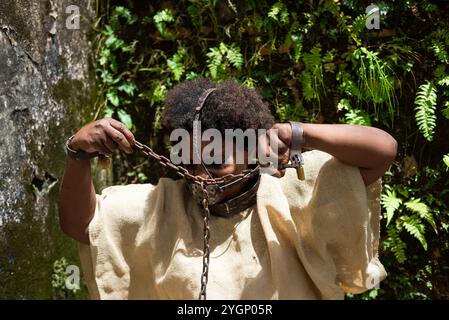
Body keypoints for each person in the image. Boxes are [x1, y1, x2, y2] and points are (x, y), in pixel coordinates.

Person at [58, 78, 397, 300]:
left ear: (253, 154)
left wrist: (297, 134)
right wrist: (78, 154)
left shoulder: (292, 191)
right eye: (190, 164)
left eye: (217, 162)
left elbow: (381, 151)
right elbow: (81, 225)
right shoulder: (160, 207)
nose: (200, 178)